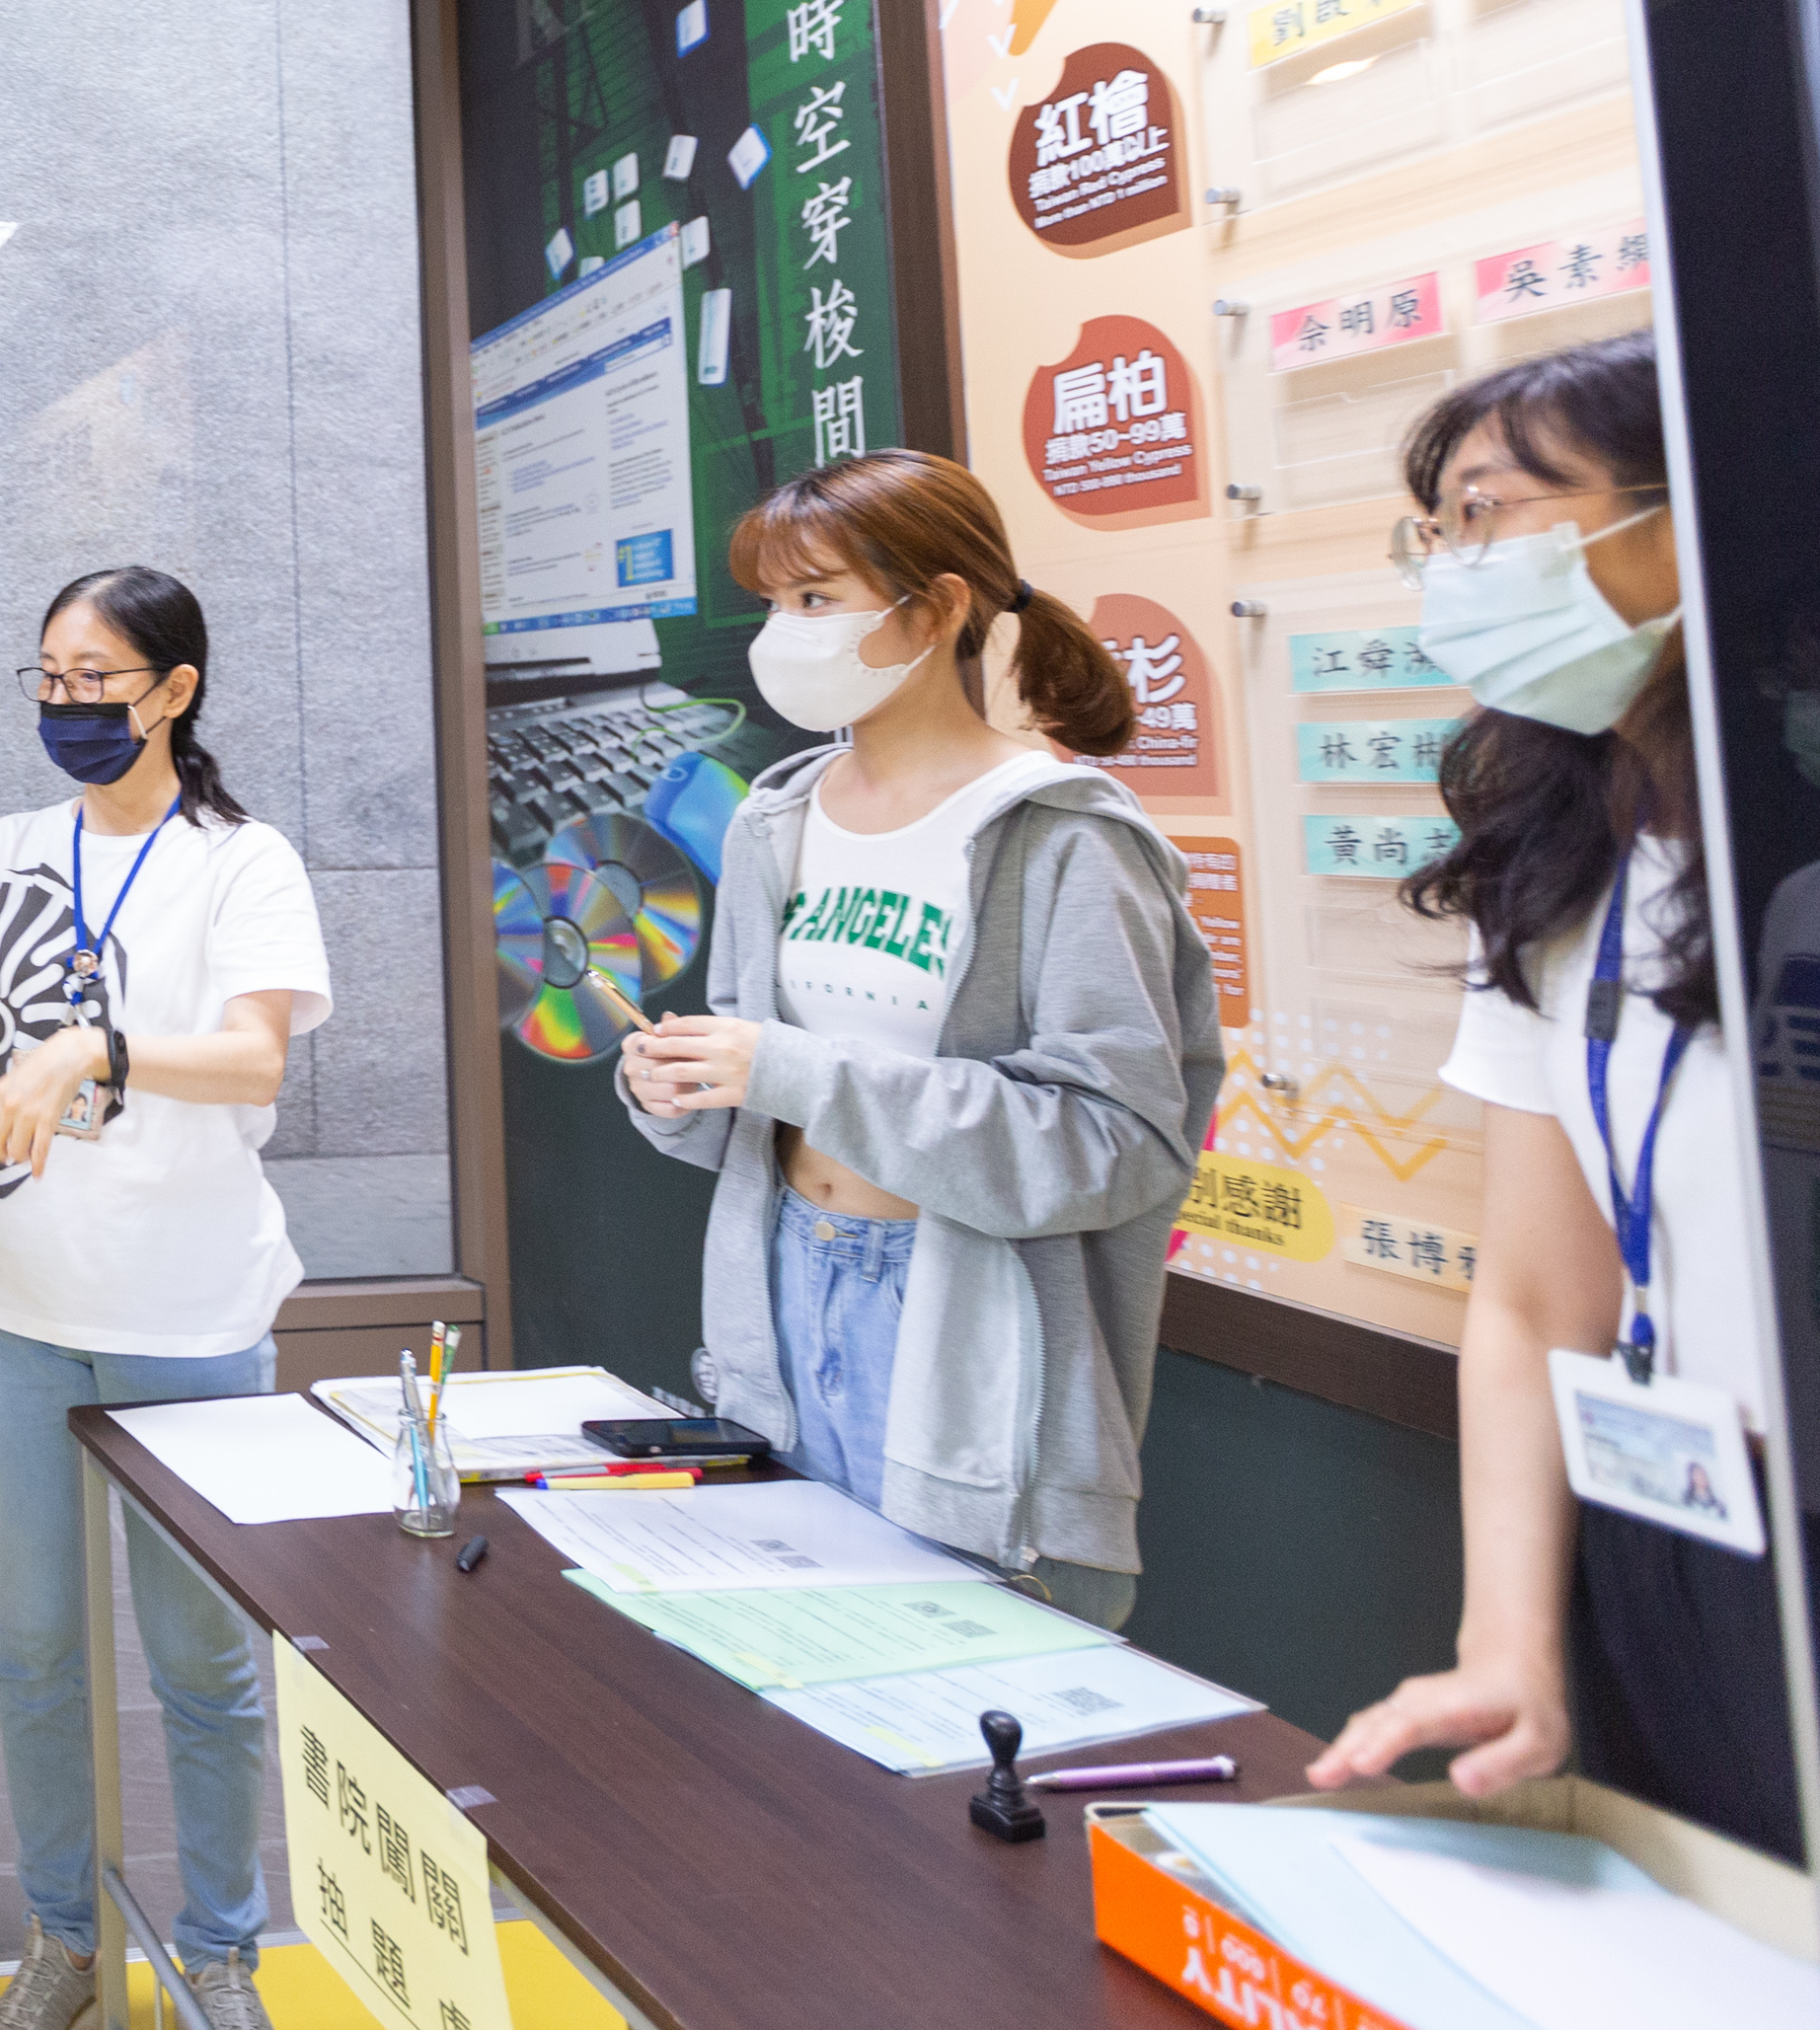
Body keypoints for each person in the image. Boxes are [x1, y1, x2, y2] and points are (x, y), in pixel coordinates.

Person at [0, 564, 330, 2030]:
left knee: (200, 1659)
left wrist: (90, 1050)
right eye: (46, 674)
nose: (66, 702)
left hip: (189, 1316)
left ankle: (221, 1951)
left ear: (173, 691)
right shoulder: (4, 848)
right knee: (36, 1643)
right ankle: (60, 1942)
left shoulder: (244, 862)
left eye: (95, 677)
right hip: (17, 1303)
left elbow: (253, 1060)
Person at [1315, 336, 1801, 1861]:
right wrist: (1506, 1641)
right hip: (1672, 1532)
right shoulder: (1550, 858)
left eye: (1496, 513)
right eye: (1440, 528)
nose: (1457, 566)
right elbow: (1532, 1299)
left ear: (1688, 517)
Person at [620, 450, 1217, 1627]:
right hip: (783, 1288)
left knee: (971, 1729)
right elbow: (756, 1103)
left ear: (937, 607)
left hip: (970, 1326)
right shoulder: (775, 820)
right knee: (794, 1699)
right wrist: (679, 1084)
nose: (781, 634)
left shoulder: (1065, 838)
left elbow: (1119, 1141)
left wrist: (787, 1067)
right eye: (774, 603)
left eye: (816, 598)